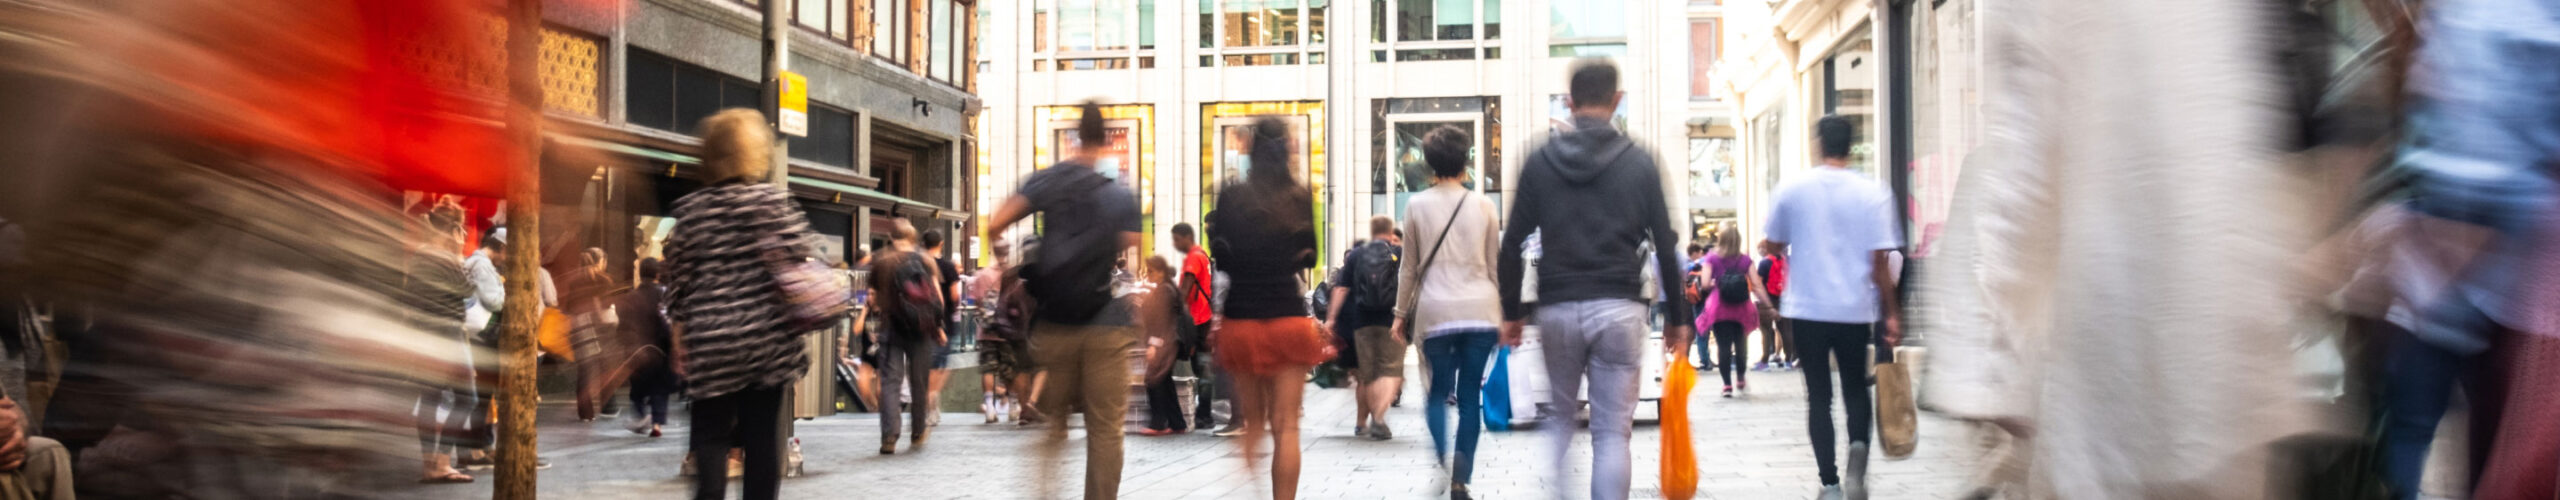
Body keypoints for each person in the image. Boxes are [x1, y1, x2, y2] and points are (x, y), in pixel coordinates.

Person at [1493, 59, 1693, 500]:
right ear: (1617, 99)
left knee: (1561, 420)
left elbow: (1511, 244)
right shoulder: (1641, 162)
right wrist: (1678, 319)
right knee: (1611, 434)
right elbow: (1665, 244)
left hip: (1559, 307)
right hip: (1621, 307)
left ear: (1569, 102)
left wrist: (1511, 314)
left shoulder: (1540, 160)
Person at [983, 100, 1144, 500]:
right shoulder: (1119, 195)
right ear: (1105, 140)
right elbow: (1133, 254)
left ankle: (1045, 493)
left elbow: (996, 222)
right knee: (1105, 429)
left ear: (1075, 136)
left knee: (1054, 425)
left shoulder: (1048, 180)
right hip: (1106, 324)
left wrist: (1004, 257)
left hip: (1054, 325)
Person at [663, 108, 824, 500]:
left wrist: (679, 341)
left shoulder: (693, 212)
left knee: (711, 437)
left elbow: (678, 288)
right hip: (766, 342)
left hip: (712, 342)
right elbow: (803, 256)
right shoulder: (773, 203)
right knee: (762, 439)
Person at [1763, 115, 1901, 500]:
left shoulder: (1793, 189)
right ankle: (1858, 450)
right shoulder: (1873, 192)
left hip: (1806, 308)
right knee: (1856, 389)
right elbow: (1880, 262)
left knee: (1819, 396)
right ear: (1852, 146)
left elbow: (1772, 242)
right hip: (1855, 309)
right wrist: (1891, 313)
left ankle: (1830, 483)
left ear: (1819, 144)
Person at [1206, 116, 1335, 500]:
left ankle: (1254, 482)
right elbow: (1309, 256)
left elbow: (1223, 259)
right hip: (1288, 319)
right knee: (1288, 428)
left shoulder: (1230, 196)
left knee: (1253, 423)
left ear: (1250, 148)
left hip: (1241, 321)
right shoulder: (1299, 195)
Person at [1393, 125, 1503, 500]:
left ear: (1428, 164)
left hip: (1436, 313)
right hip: (1481, 311)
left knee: (1438, 393)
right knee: (1471, 396)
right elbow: (1493, 266)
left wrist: (1398, 315)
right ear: (1466, 160)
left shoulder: (1416, 205)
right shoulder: (1485, 205)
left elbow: (1408, 268)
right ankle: (1461, 478)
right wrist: (1504, 315)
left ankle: (1443, 458)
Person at [405, 203, 476, 484]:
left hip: (425, 333)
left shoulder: (419, 256)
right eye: (462, 228)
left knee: (430, 397)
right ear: (454, 229)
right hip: (448, 332)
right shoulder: (446, 257)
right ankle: (443, 462)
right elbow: (467, 290)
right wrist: (459, 254)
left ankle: (428, 464)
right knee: (467, 397)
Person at [867, 220, 945, 454]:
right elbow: (936, 298)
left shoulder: (881, 260)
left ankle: (889, 437)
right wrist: (938, 327)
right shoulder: (925, 259)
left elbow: (873, 296)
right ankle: (918, 431)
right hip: (920, 328)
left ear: (892, 237)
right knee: (919, 381)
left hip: (891, 327)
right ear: (913, 237)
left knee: (890, 382)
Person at [1327, 216, 1403, 440]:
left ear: (1372, 232)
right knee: (1391, 371)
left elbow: (1340, 289)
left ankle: (1366, 422)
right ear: (1390, 233)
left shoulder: (1357, 255)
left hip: (1362, 322)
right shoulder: (1397, 253)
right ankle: (1378, 417)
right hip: (1392, 322)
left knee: (1367, 375)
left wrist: (1331, 320)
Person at [1170, 224, 1226, 434]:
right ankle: (1203, 412)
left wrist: (1173, 312)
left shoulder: (1194, 257)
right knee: (1203, 366)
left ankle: (1203, 413)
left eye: (1176, 239)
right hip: (1204, 318)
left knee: (1201, 367)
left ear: (1186, 237)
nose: (1175, 244)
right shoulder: (1202, 254)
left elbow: (1186, 288)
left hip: (1197, 320)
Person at [1698, 226, 1766, 397]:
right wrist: (1769, 304)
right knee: (1741, 345)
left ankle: (1727, 385)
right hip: (1742, 308)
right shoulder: (1745, 260)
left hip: (1719, 308)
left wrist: (1716, 283)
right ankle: (1741, 377)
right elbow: (1757, 284)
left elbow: (1705, 284)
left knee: (1723, 347)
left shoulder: (1711, 259)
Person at [619, 258, 678, 438]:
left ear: (640, 273)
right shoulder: (664, 294)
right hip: (661, 349)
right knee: (660, 389)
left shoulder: (630, 297)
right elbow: (672, 319)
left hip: (638, 350)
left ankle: (641, 415)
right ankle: (657, 425)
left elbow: (623, 325)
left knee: (637, 389)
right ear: (657, 274)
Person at [919, 230, 962, 428]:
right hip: (944, 321)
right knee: (940, 365)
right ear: (941, 244)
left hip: (920, 321)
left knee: (928, 364)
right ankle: (932, 401)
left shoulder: (918, 265)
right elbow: (955, 295)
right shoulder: (948, 267)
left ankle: (930, 402)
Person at [1754, 248, 1792, 370]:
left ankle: (1764, 362)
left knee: (1766, 330)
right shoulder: (1787, 261)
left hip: (1767, 299)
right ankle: (1788, 361)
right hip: (1784, 298)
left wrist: (1759, 297)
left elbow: (1758, 283)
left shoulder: (1764, 262)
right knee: (1785, 329)